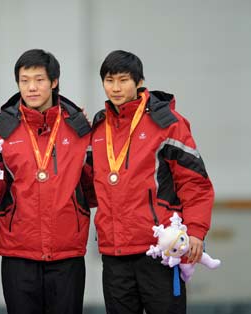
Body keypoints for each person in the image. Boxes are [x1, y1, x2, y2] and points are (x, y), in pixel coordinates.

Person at [90, 50, 215, 314]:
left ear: (139, 81)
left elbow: (195, 184)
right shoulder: (99, 129)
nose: (116, 88)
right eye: (109, 80)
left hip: (161, 251)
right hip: (115, 253)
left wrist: (196, 231)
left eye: (123, 80)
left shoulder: (168, 123)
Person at [0, 49, 94, 314]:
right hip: (18, 253)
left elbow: (93, 190)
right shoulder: (0, 131)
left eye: (39, 79)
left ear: (54, 82)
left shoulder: (79, 128)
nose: (31, 87)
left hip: (67, 253)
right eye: (24, 81)